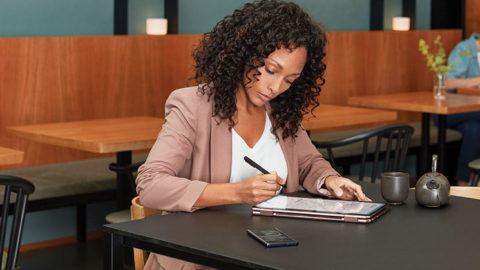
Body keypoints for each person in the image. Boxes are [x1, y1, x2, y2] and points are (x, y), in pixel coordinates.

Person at [136, 1, 370, 269]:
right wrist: (237, 192)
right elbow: (150, 184)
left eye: (289, 80)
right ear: (245, 53)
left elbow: (308, 163)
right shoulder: (192, 106)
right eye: (271, 70)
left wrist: (330, 180)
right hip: (201, 258)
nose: (275, 87)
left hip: (272, 253)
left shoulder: (281, 113)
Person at [437, 33, 480, 186]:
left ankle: (463, 184)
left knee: (473, 130)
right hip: (448, 111)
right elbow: (447, 82)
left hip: (472, 115)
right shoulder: (465, 49)